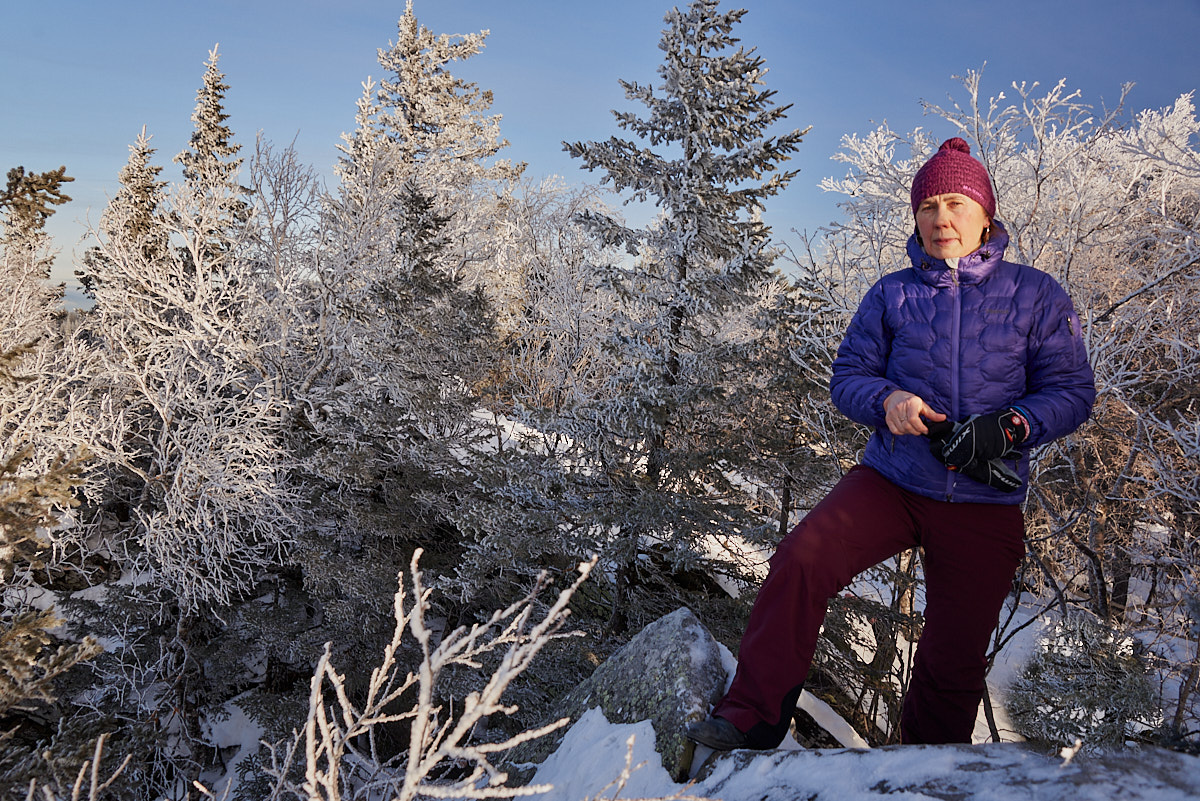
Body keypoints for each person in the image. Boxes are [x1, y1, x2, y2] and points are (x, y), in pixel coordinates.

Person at [686, 137, 1096, 750]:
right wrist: (887, 401)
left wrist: (1009, 427)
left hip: (985, 498)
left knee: (952, 653)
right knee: (801, 560)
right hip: (894, 479)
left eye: (956, 203)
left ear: (986, 213)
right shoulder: (891, 293)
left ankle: (918, 773)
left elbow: (1071, 390)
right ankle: (754, 714)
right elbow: (847, 378)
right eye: (928, 206)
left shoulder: (1035, 295)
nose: (941, 219)